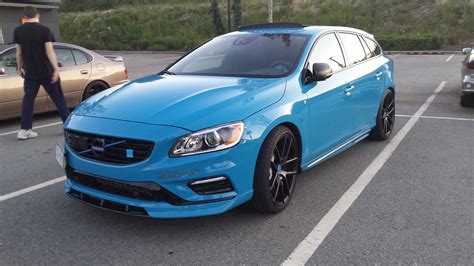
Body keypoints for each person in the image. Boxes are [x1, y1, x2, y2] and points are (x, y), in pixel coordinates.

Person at [13, 6, 70, 140]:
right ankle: (68, 126)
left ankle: (24, 130)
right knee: (58, 98)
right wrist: (56, 68)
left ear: (25, 16)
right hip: (47, 71)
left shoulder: (18, 31)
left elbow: (19, 53)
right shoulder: (44, 30)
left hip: (30, 72)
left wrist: (19, 69)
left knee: (28, 99)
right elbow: (49, 51)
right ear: (37, 15)